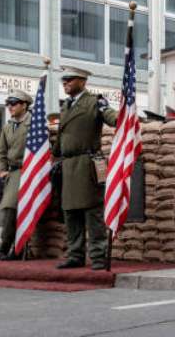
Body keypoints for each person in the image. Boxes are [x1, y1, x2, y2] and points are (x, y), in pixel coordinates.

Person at [53, 67, 118, 270]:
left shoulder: (94, 102)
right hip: (68, 164)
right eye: (64, 81)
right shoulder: (66, 106)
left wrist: (126, 115)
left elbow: (113, 118)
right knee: (71, 213)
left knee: (92, 213)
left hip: (87, 163)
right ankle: (75, 255)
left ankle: (98, 257)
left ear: (82, 81)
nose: (65, 84)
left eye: (70, 80)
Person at [0, 89, 33, 260]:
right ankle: (11, 248)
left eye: (14, 103)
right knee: (10, 210)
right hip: (13, 172)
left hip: (29, 170)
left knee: (12, 210)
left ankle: (7, 247)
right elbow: (1, 152)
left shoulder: (33, 123)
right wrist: (2, 170)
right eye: (8, 104)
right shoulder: (8, 126)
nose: (10, 107)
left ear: (24, 105)